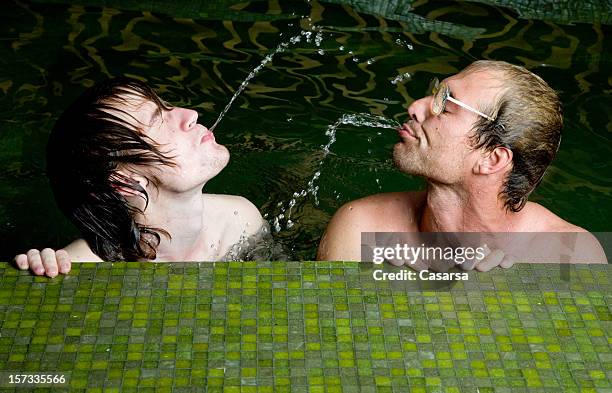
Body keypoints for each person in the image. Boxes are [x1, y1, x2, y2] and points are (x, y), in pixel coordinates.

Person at [317, 60, 607, 268]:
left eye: (447, 104)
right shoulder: (361, 227)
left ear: (491, 158)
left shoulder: (566, 256)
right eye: (435, 94)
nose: (416, 107)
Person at [14, 77, 264, 277]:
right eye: (159, 121)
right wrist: (41, 269)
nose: (191, 114)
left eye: (166, 107)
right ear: (125, 181)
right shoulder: (83, 267)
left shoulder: (240, 220)